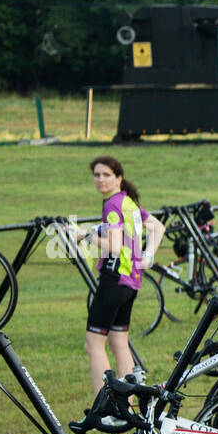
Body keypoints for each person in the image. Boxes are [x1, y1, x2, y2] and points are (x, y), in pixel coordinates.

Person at [83, 156, 164, 395]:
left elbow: (114, 247)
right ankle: (128, 406)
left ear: (119, 178)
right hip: (131, 283)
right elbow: (158, 228)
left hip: (114, 279)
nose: (100, 180)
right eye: (96, 175)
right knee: (119, 342)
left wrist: (84, 235)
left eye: (106, 175)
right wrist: (147, 257)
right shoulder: (128, 202)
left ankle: (104, 406)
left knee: (94, 344)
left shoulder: (112, 205)